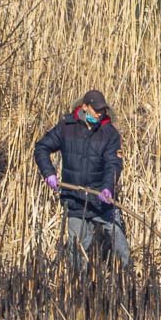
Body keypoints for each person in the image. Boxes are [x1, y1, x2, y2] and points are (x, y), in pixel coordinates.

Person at [34, 89, 132, 268]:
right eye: (96, 109)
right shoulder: (66, 127)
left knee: (119, 241)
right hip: (74, 199)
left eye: (102, 109)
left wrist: (107, 187)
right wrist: (48, 173)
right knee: (77, 246)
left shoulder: (110, 133)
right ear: (85, 107)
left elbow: (113, 164)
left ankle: (129, 274)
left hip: (101, 199)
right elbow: (42, 148)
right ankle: (78, 280)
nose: (100, 113)